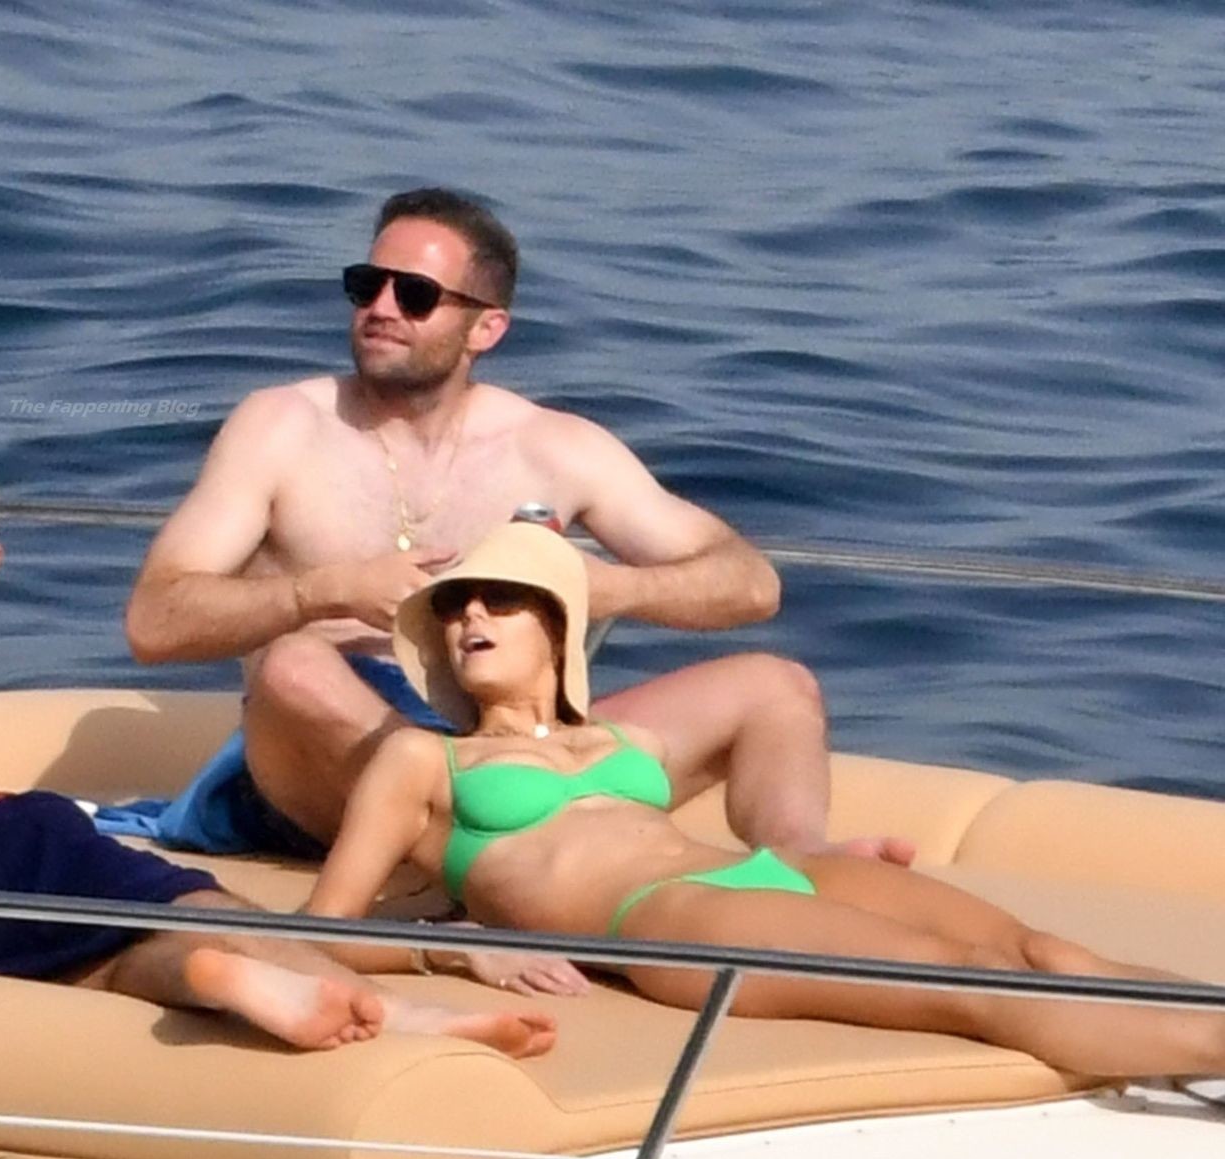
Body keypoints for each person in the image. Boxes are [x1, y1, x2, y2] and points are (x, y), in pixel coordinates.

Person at [123, 186, 908, 868]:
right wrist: (320, 593)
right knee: (295, 666)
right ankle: (503, 857)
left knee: (776, 686)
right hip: (329, 770)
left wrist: (607, 588)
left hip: (518, 751)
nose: (381, 309)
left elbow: (750, 583)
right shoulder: (282, 427)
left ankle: (802, 862)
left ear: (486, 329)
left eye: (415, 295)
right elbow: (154, 621)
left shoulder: (551, 447)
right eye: (367, 286)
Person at [0, 437, 558, 1058]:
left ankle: (206, 975)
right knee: (117, 866)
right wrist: (0, 823)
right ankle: (391, 1012)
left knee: (96, 955)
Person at [298, 519, 1225, 1075]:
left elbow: (763, 689)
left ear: (556, 627)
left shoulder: (620, 740)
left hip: (766, 873)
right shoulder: (424, 760)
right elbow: (322, 927)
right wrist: (454, 949)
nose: (470, 616)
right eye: (454, 607)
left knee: (1042, 950)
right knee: (971, 985)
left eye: (499, 600)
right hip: (666, 919)